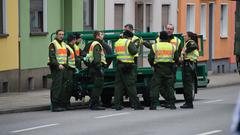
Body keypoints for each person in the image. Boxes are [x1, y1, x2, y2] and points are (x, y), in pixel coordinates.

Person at [113, 30, 144, 110]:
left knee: (119, 86)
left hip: (119, 65)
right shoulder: (128, 42)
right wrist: (135, 46)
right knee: (131, 86)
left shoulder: (117, 42)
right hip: (127, 66)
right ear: (129, 37)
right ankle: (136, 105)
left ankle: (117, 105)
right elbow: (134, 52)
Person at [148, 31, 177, 110]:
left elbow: (150, 58)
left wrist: (153, 65)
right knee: (169, 87)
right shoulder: (172, 47)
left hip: (158, 68)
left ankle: (153, 104)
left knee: (155, 86)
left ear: (160, 38)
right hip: (169, 68)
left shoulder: (155, 46)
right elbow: (176, 58)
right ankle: (172, 104)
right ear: (167, 38)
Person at [85, 31, 107, 110]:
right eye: (101, 34)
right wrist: (99, 68)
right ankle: (94, 104)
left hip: (93, 68)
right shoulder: (97, 44)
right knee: (98, 87)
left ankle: (94, 103)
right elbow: (97, 57)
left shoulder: (94, 43)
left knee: (96, 87)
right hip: (97, 68)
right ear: (97, 36)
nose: (103, 36)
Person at [48, 29, 69, 112]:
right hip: (56, 67)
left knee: (62, 86)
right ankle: (55, 105)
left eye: (62, 34)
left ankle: (60, 104)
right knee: (57, 86)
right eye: (60, 34)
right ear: (56, 35)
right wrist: (58, 65)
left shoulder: (64, 44)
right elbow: (52, 57)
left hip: (63, 67)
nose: (61, 36)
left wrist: (66, 64)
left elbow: (66, 55)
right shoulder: (53, 44)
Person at [179, 31, 199, 109]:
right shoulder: (187, 43)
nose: (184, 37)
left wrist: (185, 52)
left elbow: (194, 46)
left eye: (185, 36)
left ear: (189, 37)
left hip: (189, 65)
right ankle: (187, 102)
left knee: (187, 85)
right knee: (186, 84)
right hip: (186, 64)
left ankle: (189, 103)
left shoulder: (191, 42)